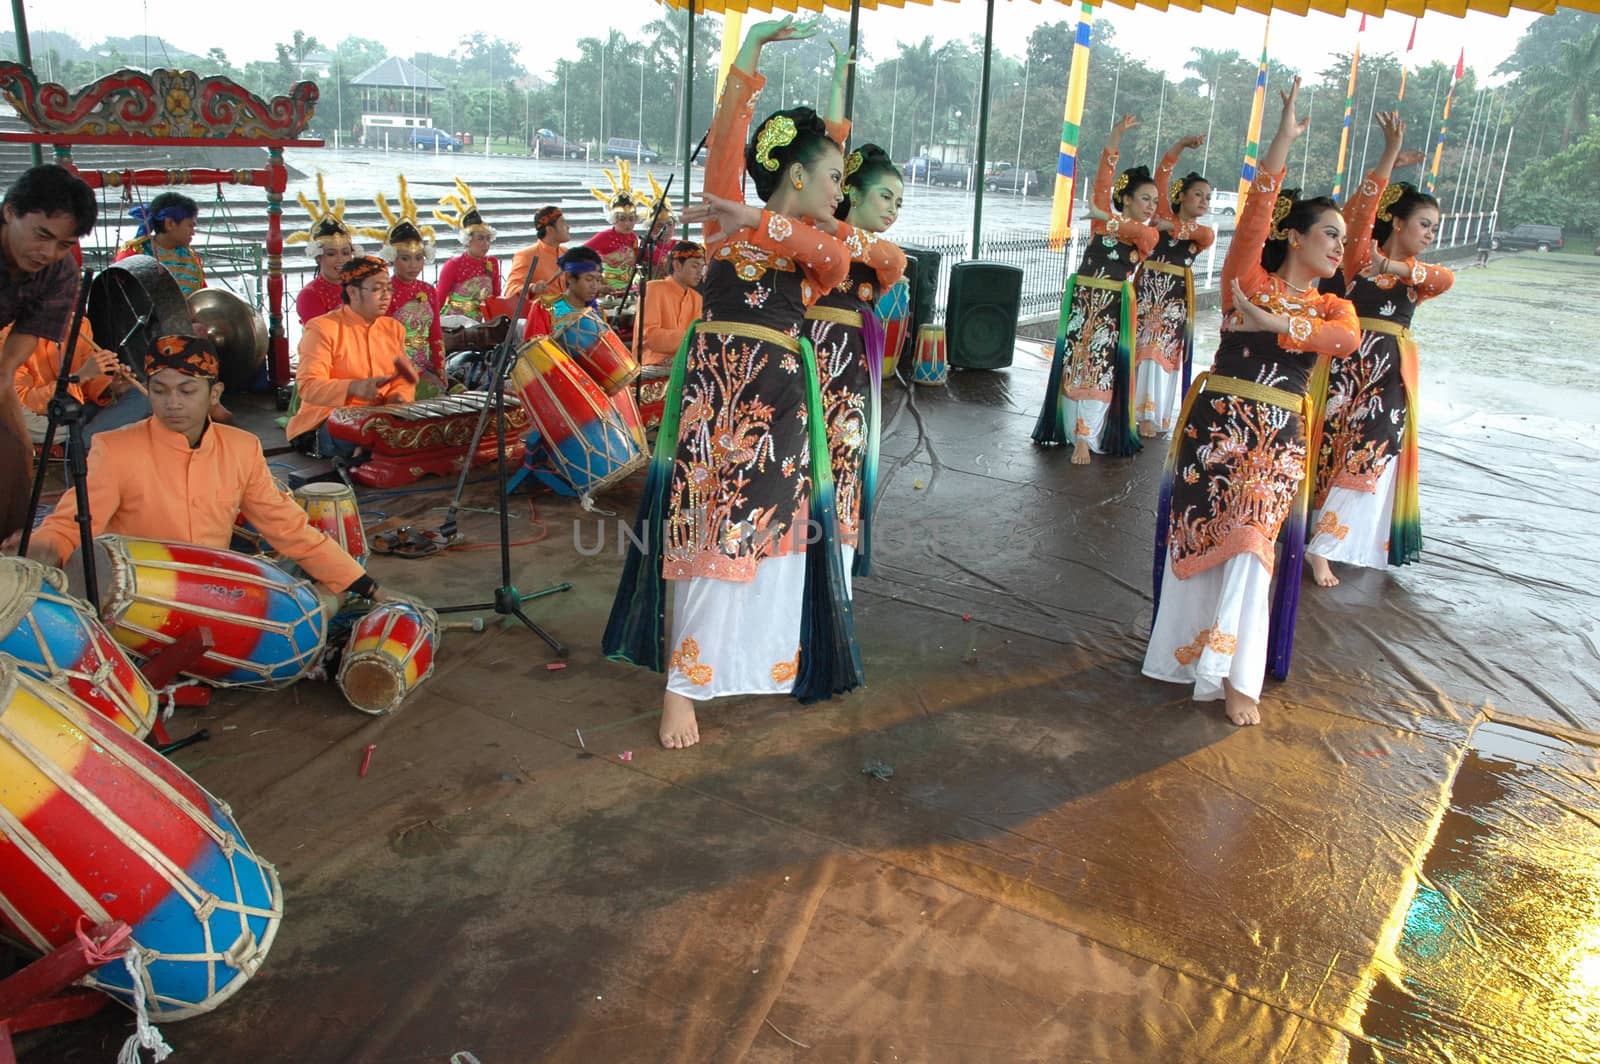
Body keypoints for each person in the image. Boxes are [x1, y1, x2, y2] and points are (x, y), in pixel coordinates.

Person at [604, 16, 856, 750]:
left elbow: (832, 264)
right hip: (715, 400)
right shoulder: (723, 222)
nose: (842, 194)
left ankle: (757, 665)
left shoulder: (822, 246)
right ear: (799, 177)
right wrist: (749, 54)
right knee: (707, 530)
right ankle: (682, 687)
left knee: (770, 534)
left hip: (780, 409)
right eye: (835, 178)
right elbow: (726, 134)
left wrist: (760, 214)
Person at [1142, 78, 1360, 728]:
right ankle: (1183, 659)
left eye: (1343, 240)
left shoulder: (1332, 305)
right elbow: (1256, 217)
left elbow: (1343, 342)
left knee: (1251, 543)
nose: (1336, 247)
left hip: (1276, 441)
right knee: (1199, 534)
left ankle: (1236, 677)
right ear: (1295, 237)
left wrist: (1273, 327)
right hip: (1215, 428)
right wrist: (1282, 144)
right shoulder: (1250, 277)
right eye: (1328, 234)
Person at [17, 334, 384, 605]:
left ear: (214, 393)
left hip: (213, 593)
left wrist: (363, 584)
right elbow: (72, 523)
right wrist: (44, 546)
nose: (172, 403)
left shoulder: (241, 448)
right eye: (159, 390)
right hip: (138, 604)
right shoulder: (114, 449)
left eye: (187, 391)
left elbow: (288, 528)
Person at [1306, 113, 1448, 587]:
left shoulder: (1417, 275)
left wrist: (1395, 265)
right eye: (1423, 224)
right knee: (1330, 448)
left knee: (1373, 451)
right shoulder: (1357, 253)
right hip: (1345, 369)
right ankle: (1316, 543)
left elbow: (1445, 279)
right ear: (1398, 221)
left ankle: (1330, 543)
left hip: (1390, 379)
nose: (1430, 234)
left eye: (1434, 227)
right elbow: (1360, 211)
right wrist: (1388, 156)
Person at [1032, 115, 1160, 465]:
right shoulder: (1104, 220)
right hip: (1082, 298)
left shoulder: (1147, 234)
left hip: (1112, 305)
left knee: (1102, 365)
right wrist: (1115, 136)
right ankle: (1071, 430)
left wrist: (1104, 215)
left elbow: (1136, 232)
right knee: (1076, 363)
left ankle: (1087, 436)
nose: (1151, 207)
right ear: (1128, 198)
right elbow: (1103, 183)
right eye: (1146, 199)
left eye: (1154, 201)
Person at [808, 142, 905, 577]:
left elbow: (893, 260)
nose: (893, 209)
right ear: (854, 192)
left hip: (853, 366)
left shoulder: (881, 256)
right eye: (885, 196)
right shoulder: (813, 238)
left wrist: (838, 228)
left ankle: (836, 569)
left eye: (899, 202)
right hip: (810, 355)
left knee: (846, 456)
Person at [0, 164, 96, 538]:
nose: (48, 253)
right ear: (10, 211)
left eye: (63, 244)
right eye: (42, 235)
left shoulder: (60, 272)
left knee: (16, 458)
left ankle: (9, 563)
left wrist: (5, 375)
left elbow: (23, 339)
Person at [285, 256, 416, 457]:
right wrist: (353, 388)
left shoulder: (393, 329)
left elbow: (403, 380)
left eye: (389, 288)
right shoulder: (322, 329)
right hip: (326, 422)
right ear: (352, 292)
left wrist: (398, 397)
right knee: (370, 438)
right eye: (376, 289)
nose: (386, 296)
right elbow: (308, 386)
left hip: (378, 418)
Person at [1134, 135, 1215, 439]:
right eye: (1198, 195)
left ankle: (1153, 414)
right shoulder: (1162, 214)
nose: (1204, 201)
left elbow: (1203, 235)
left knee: (1161, 351)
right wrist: (1179, 146)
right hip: (1146, 293)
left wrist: (1173, 228)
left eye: (1208, 197)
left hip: (1174, 301)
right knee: (1140, 348)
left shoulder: (1202, 234)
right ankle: (1135, 412)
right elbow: (1162, 175)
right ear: (1182, 196)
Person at [362, 176, 446, 398]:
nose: (413, 265)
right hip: (394, 369)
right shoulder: (383, 291)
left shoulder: (428, 290)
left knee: (459, 391)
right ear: (392, 259)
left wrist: (440, 369)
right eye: (406, 258)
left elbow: (435, 335)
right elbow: (382, 342)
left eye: (418, 258)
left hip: (425, 364)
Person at [9, 319, 149, 446]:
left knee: (145, 393)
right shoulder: (12, 335)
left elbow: (92, 382)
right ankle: (85, 440)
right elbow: (23, 401)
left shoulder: (79, 323)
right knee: (15, 419)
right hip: (49, 419)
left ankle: (86, 438)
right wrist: (80, 377)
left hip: (83, 412)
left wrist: (112, 387)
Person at [289, 175, 360, 325]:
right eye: (331, 254)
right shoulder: (310, 295)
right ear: (318, 257)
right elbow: (320, 338)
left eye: (345, 253)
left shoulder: (360, 288)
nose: (340, 259)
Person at [114, 192, 206, 296]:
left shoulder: (192, 258)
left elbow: (201, 297)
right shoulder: (133, 253)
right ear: (170, 224)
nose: (193, 232)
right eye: (190, 226)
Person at [433, 178, 499, 323]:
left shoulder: (492, 262)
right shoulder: (453, 265)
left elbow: (496, 298)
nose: (486, 243)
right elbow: (440, 298)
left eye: (488, 239)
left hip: (481, 321)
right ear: (468, 240)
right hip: (455, 322)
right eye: (480, 238)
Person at [584, 163, 653, 299]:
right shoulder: (603, 236)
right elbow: (581, 253)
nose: (627, 223)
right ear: (614, 219)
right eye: (622, 219)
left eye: (631, 219)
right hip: (607, 289)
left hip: (629, 288)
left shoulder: (633, 236)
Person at [637, 240, 704, 369]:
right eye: (695, 266)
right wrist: (691, 338)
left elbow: (698, 338)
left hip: (682, 364)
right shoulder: (653, 289)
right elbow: (650, 336)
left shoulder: (697, 299)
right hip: (650, 364)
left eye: (702, 267)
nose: (699, 272)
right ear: (677, 266)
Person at [504, 205, 569, 301]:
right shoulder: (526, 255)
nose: (568, 227)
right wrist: (532, 288)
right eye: (563, 223)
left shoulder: (566, 253)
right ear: (549, 229)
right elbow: (510, 290)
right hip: (542, 313)